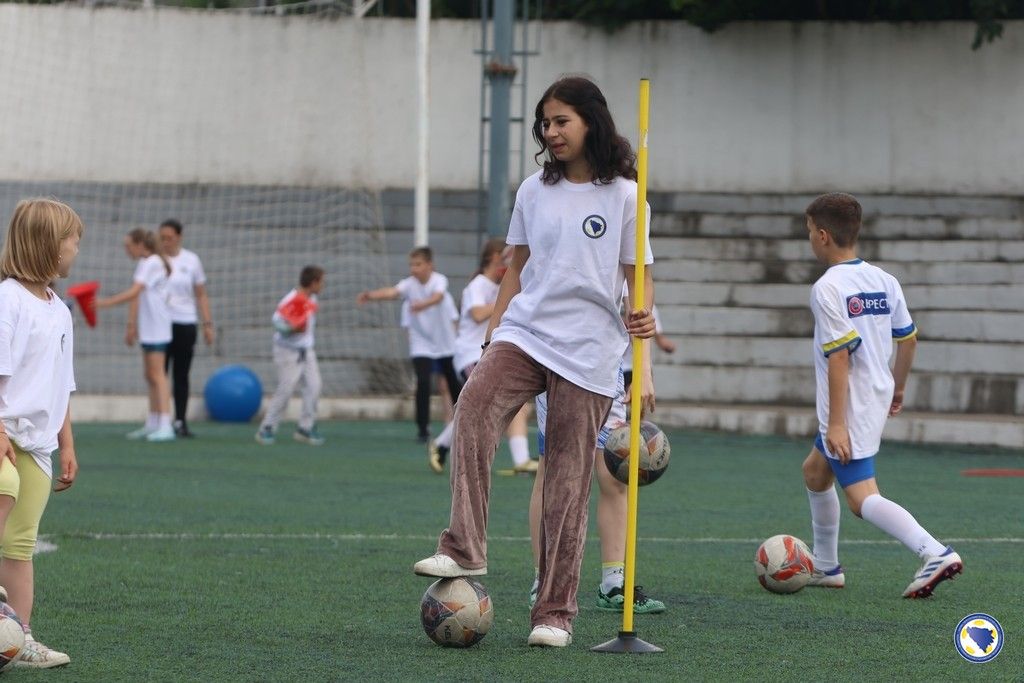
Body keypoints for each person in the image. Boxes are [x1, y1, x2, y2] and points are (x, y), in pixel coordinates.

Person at [412, 76, 656, 648]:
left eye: (561, 121)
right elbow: (515, 265)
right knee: (472, 408)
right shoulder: (532, 190)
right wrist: (497, 325)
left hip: (592, 352)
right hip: (526, 332)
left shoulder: (625, 195)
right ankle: (463, 548)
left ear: (590, 121)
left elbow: (638, 278)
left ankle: (554, 613)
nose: (551, 132)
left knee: (567, 483)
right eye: (545, 123)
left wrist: (642, 364)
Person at [800, 192, 962, 598]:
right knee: (816, 473)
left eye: (807, 232)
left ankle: (934, 552)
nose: (808, 239)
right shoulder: (884, 280)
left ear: (822, 235)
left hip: (847, 405)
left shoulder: (826, 288)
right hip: (875, 392)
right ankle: (826, 566)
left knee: (860, 498)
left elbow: (839, 357)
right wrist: (898, 385)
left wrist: (837, 422)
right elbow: (908, 340)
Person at [0, 198, 83, 668]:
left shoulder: (59, 310)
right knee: (4, 487)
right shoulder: (7, 299)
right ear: (50, 246)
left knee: (22, 541)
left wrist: (66, 442)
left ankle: (18, 640)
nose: (76, 249)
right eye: (74, 240)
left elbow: (60, 383)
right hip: (3, 435)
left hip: (37, 443)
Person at [528, 360, 664, 614]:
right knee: (551, 471)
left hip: (606, 367)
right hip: (557, 359)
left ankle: (613, 584)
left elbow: (642, 322)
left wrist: (643, 372)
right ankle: (542, 579)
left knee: (614, 475)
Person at [429, 240, 536, 475]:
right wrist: (507, 299)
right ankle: (521, 460)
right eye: (507, 257)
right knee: (497, 406)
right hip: (471, 353)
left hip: (490, 352)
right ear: (496, 257)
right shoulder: (478, 285)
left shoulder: (505, 285)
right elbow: (478, 314)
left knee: (482, 408)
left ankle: (442, 444)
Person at [356, 247, 462, 443]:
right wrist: (370, 295)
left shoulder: (439, 280)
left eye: (418, 264)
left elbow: (438, 296)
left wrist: (423, 305)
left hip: (444, 341)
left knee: (453, 384)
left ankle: (464, 421)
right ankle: (423, 429)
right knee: (422, 382)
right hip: (421, 343)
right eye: (412, 265)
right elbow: (392, 292)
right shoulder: (409, 285)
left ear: (430, 265)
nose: (414, 269)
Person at [95, 228, 176, 442]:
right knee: (150, 375)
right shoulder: (145, 263)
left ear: (141, 244)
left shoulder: (153, 263)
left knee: (158, 375)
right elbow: (137, 297)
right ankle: (153, 421)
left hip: (158, 325)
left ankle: (166, 424)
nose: (126, 250)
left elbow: (133, 292)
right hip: (149, 326)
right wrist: (131, 325)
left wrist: (102, 304)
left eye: (129, 245)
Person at [255, 266, 326, 446]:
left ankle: (305, 427)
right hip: (287, 351)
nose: (323, 285)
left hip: (306, 350)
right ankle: (267, 427)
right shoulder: (293, 299)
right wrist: (291, 329)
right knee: (286, 390)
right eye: (321, 282)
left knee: (314, 386)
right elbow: (277, 322)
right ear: (313, 282)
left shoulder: (312, 299)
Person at [158, 219, 215, 438]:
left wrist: (207, 323)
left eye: (169, 238)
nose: (165, 242)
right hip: (161, 324)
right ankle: (160, 419)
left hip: (185, 323)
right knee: (159, 374)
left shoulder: (191, 260)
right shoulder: (155, 261)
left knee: (181, 374)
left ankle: (180, 420)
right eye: (162, 238)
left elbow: (201, 293)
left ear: (179, 237)